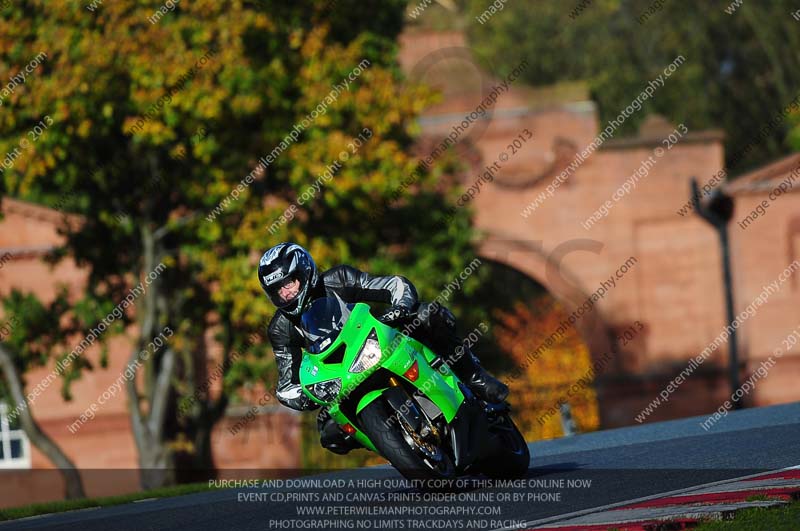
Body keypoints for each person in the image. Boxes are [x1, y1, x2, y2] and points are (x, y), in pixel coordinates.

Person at [259, 242, 508, 454]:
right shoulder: (280, 329)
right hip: (341, 378)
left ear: (304, 272)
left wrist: (400, 307)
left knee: (426, 314)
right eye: (277, 291)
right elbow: (286, 384)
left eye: (289, 283)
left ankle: (473, 376)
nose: (286, 293)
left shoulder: (338, 279)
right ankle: (390, 442)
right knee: (330, 433)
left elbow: (392, 286)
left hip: (378, 342)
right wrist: (306, 396)